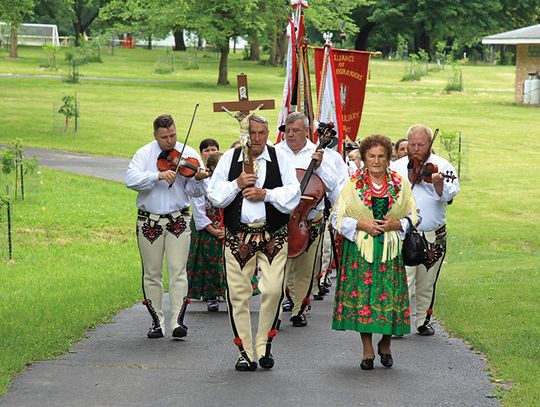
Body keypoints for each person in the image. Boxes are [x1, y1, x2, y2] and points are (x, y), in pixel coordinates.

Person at [207, 114, 300, 371]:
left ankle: (263, 345)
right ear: (243, 134)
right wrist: (237, 184)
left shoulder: (279, 157)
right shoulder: (230, 158)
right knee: (238, 295)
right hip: (239, 236)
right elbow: (214, 196)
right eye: (252, 133)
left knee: (272, 291)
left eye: (261, 133)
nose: (256, 139)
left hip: (273, 235)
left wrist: (266, 194)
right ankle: (245, 351)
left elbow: (294, 193)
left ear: (268, 133)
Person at [332, 134, 416, 370]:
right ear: (364, 158)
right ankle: (367, 349)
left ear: (389, 158)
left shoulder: (400, 183)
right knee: (364, 299)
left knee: (390, 296)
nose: (376, 161)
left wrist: (396, 225)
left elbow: (414, 216)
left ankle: (386, 343)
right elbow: (336, 217)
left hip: (390, 250)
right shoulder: (352, 184)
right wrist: (361, 224)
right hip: (360, 249)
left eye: (381, 156)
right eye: (371, 156)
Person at [125, 114, 208, 339]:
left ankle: (176, 321)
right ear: (155, 136)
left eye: (172, 135)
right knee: (152, 273)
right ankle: (156, 321)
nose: (170, 142)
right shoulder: (144, 153)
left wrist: (198, 179)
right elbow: (130, 180)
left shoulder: (188, 153)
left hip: (178, 219)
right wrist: (157, 175)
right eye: (164, 137)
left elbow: (196, 193)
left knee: (178, 270)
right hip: (148, 220)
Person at [391, 124, 459, 336]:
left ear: (429, 144)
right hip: (404, 232)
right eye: (412, 145)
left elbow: (449, 194)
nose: (416, 149)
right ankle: (398, 322)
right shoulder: (397, 167)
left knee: (427, 280)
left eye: (421, 145)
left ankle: (422, 320)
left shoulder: (441, 166)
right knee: (404, 279)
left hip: (432, 233)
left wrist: (438, 185)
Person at [276, 112, 337, 327]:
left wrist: (319, 167)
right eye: (287, 131)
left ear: (306, 131)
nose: (290, 135)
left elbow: (331, 185)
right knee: (279, 265)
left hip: (308, 218)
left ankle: (299, 308)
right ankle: (279, 302)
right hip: (281, 218)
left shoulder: (319, 152)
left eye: (295, 131)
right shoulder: (276, 152)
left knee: (305, 266)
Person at [187, 139, 225, 312]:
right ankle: (210, 295)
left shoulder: (227, 182)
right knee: (208, 262)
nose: (210, 151)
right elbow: (198, 209)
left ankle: (229, 293)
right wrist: (212, 230)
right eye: (207, 149)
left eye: (213, 149)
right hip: (208, 227)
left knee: (226, 262)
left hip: (225, 228)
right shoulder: (202, 180)